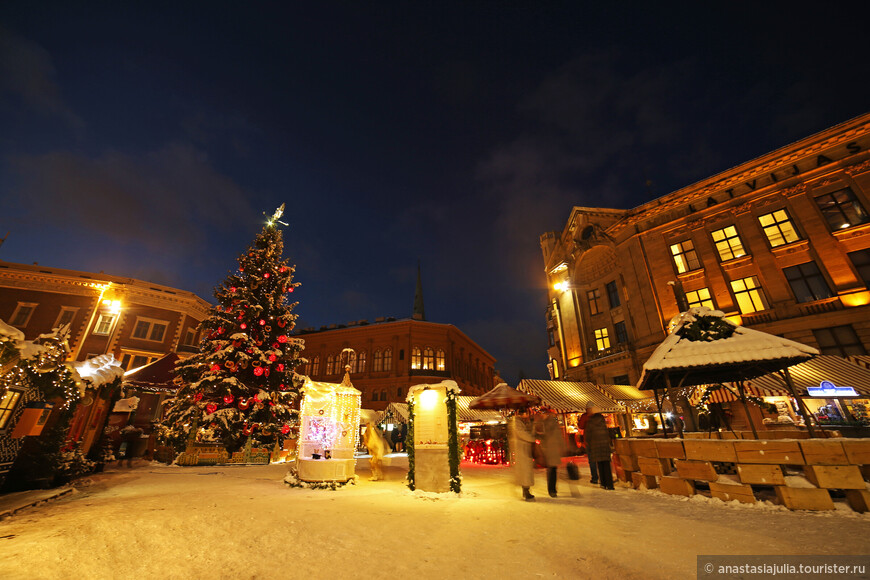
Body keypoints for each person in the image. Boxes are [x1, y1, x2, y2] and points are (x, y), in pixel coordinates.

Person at [582, 404, 614, 490]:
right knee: (607, 465)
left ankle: (603, 483)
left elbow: (588, 435)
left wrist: (588, 443)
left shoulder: (590, 421)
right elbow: (607, 433)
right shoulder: (602, 420)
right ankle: (610, 484)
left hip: (595, 445)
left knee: (600, 464)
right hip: (604, 445)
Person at [509, 408, 536, 501]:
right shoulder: (517, 423)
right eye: (527, 413)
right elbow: (522, 434)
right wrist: (533, 439)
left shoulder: (522, 422)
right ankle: (525, 490)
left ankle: (526, 489)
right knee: (525, 470)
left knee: (526, 470)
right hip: (522, 449)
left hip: (525, 449)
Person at [539, 410, 566, 497]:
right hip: (553, 448)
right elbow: (558, 435)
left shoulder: (546, 424)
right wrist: (561, 445)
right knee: (553, 470)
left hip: (549, 448)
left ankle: (552, 490)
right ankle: (553, 489)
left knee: (551, 470)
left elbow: (545, 436)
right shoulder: (553, 423)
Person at [577, 402, 598, 484]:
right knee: (599, 459)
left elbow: (581, 426)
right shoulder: (597, 416)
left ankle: (595, 477)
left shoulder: (585, 416)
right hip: (597, 440)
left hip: (589, 441)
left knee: (592, 460)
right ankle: (602, 477)